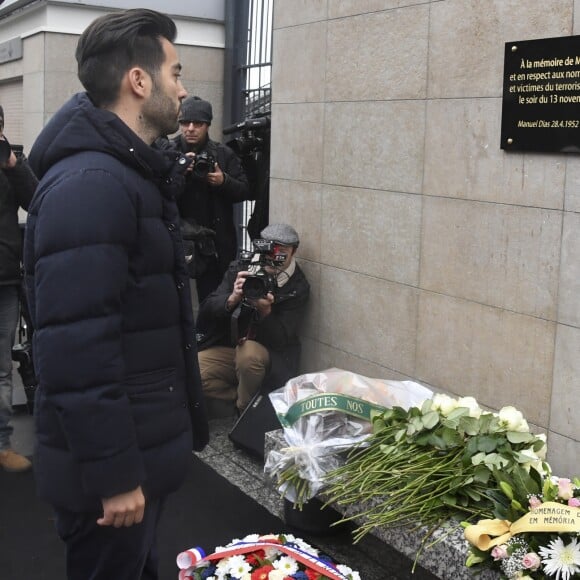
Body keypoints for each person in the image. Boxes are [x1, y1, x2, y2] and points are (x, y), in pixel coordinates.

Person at [23, 9, 209, 580]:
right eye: (175, 73)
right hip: (113, 475)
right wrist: (115, 475)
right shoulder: (93, 186)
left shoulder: (125, 175)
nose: (183, 90)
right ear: (139, 80)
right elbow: (75, 350)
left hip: (139, 450)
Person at [196, 223, 310, 418]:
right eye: (269, 249)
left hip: (269, 358)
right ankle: (249, 399)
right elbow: (206, 311)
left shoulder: (297, 287)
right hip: (232, 348)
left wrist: (266, 313)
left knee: (248, 353)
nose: (274, 256)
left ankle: (244, 413)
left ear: (294, 251)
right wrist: (231, 298)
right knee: (194, 369)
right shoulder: (242, 268)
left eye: (281, 251)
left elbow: (281, 339)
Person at [171, 95, 250, 303]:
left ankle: (207, 336)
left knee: (213, 301)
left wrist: (223, 181)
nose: (190, 128)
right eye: (185, 123)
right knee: (174, 301)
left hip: (214, 244)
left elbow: (244, 191)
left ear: (207, 126)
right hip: (177, 238)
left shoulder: (223, 154)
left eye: (197, 124)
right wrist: (177, 172)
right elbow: (153, 191)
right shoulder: (169, 151)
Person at [0, 105, 37, 472]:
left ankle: (1, 444)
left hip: (4, 280)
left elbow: (38, 201)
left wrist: (13, 165)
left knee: (1, 369)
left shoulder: (12, 163)